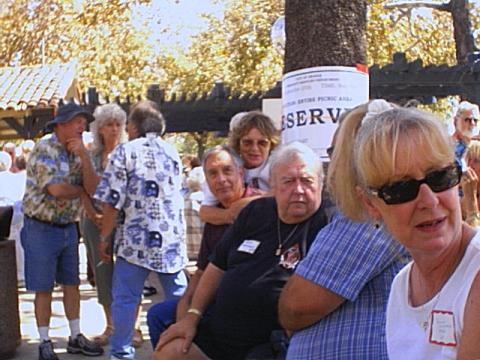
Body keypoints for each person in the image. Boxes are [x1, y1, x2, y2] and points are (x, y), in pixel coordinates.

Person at [329, 99, 480, 359]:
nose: (429, 201)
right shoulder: (402, 286)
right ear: (370, 203)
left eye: (440, 177)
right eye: (401, 189)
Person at [154, 141, 331, 360]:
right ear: (273, 186)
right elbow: (216, 267)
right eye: (288, 181)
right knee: (169, 351)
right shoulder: (256, 211)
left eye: (307, 180)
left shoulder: (327, 224)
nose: (298, 189)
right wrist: (192, 317)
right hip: (221, 336)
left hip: (273, 344)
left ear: (321, 184)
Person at [94, 100, 188, 360]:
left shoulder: (123, 152)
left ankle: (122, 354)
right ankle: (183, 347)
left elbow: (112, 200)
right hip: (170, 241)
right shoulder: (172, 152)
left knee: (125, 299)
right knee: (180, 297)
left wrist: (105, 237)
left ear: (132, 126)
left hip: (134, 240)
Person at [20, 102, 104, 360]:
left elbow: (94, 188)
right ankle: (44, 342)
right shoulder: (44, 148)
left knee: (72, 284)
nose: (83, 126)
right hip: (41, 228)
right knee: (43, 288)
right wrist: (79, 191)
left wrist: (86, 158)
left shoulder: (79, 151)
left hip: (68, 226)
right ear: (61, 124)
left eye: (84, 121)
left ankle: (75, 336)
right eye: (78, 121)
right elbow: (55, 189)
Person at [147, 145, 248, 349]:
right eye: (213, 173)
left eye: (227, 170)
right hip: (212, 301)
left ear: (241, 172)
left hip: (243, 304)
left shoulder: (260, 205)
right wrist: (185, 310)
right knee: (159, 315)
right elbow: (201, 271)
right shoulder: (213, 216)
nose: (221, 179)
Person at [75, 103, 128, 346]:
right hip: (93, 220)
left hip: (124, 221)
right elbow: (81, 187)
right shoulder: (92, 155)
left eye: (118, 124)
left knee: (128, 274)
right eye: (109, 124)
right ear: (100, 128)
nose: (114, 129)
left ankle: (132, 327)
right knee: (102, 273)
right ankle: (110, 325)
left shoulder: (128, 153)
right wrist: (90, 213)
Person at [199, 110, 280, 225]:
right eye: (247, 142)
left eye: (262, 143)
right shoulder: (228, 168)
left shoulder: (278, 165)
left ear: (271, 145)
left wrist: (250, 202)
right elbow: (204, 212)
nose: (255, 149)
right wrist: (231, 214)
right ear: (238, 143)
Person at [451, 101, 479, 170]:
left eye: (475, 120)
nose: (472, 124)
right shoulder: (445, 146)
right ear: (455, 121)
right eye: (467, 120)